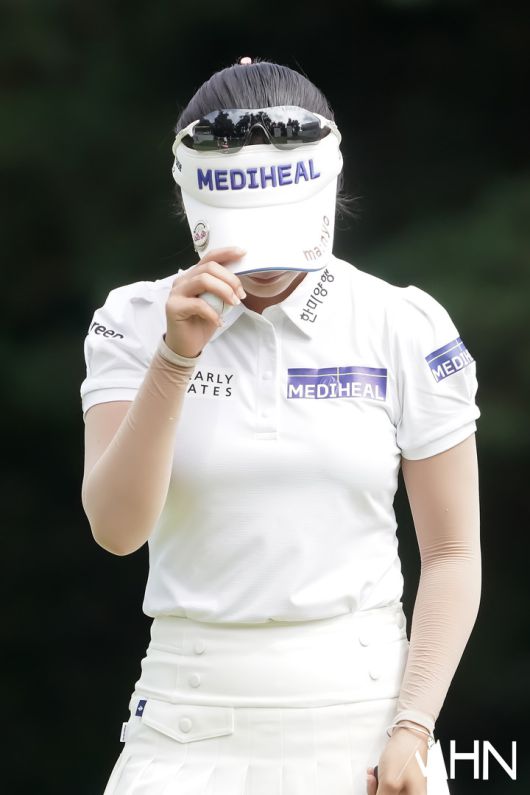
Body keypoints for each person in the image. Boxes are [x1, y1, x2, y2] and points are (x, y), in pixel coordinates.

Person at [80, 57, 481, 795]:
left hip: (365, 722)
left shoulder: (403, 323)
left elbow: (453, 553)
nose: (263, 258)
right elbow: (116, 528)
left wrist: (415, 724)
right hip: (184, 720)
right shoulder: (133, 320)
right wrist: (174, 358)